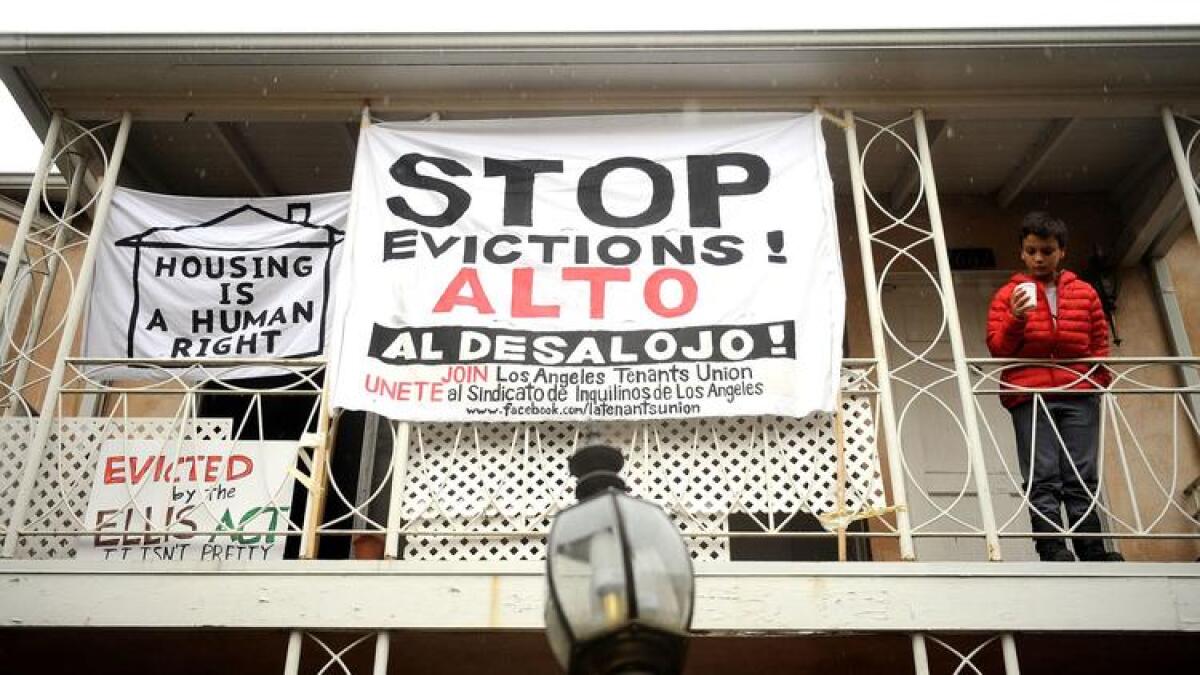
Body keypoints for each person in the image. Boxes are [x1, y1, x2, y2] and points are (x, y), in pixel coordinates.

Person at [986, 211, 1123, 562]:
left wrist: (1096, 380)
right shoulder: (1008, 295)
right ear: (1021, 251)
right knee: (1042, 473)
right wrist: (1016, 318)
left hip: (1078, 392)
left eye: (1046, 251)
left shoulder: (1086, 293)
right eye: (1031, 250)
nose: (1038, 258)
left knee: (1081, 473)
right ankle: (1051, 546)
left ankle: (1091, 548)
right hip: (1030, 395)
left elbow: (1098, 343)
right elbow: (999, 347)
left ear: (1062, 251)